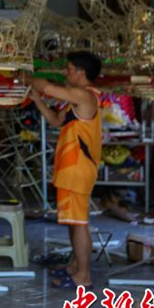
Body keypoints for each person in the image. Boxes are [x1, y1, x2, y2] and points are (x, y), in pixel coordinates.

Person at [24, 51, 103, 289]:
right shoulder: (76, 100)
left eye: (68, 69)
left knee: (79, 223)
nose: (66, 73)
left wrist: (26, 77)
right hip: (72, 169)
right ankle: (75, 267)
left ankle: (84, 276)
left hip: (78, 169)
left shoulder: (84, 95)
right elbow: (57, 122)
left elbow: (48, 87)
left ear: (81, 73)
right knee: (73, 221)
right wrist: (37, 101)